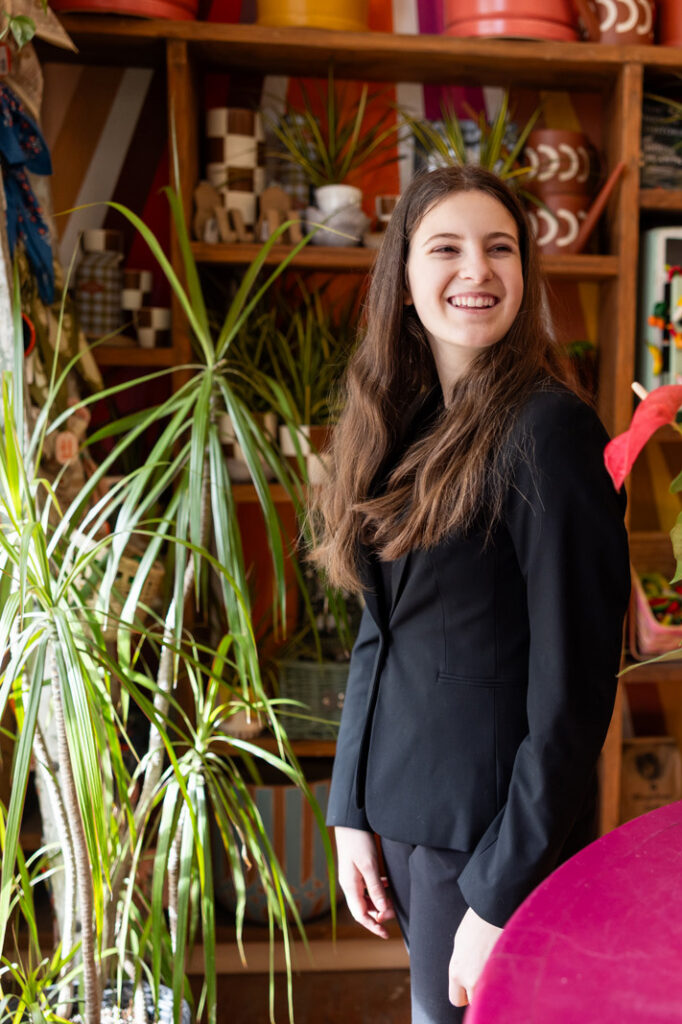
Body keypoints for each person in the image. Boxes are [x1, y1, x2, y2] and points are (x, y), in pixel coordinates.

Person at [309, 164, 631, 1024]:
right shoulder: (403, 424)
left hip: (494, 840)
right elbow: (379, 631)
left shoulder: (550, 430)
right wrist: (351, 812)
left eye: (500, 249)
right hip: (406, 825)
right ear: (405, 282)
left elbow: (573, 697)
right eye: (446, 249)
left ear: (526, 274)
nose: (477, 272)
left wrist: (497, 895)